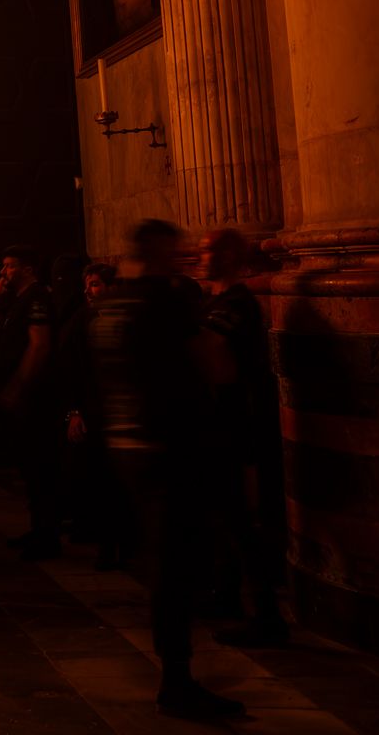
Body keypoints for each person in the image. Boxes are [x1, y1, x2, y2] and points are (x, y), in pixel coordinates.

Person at [114, 219, 243, 721]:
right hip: (170, 447)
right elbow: (219, 368)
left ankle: (177, 674)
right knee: (177, 568)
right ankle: (177, 679)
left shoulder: (110, 300)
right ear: (161, 250)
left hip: (127, 447)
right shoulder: (166, 300)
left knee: (163, 565)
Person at [199, 229, 289, 648]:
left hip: (233, 425)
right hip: (218, 424)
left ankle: (264, 613)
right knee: (223, 516)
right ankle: (227, 595)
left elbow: (216, 360)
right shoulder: (215, 301)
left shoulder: (236, 304)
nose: (204, 256)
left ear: (232, 256)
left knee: (239, 519)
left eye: (212, 249)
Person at [0, 244, 63, 560]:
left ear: (27, 269)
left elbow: (39, 346)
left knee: (41, 467)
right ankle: (39, 529)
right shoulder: (17, 300)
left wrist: (17, 387)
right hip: (23, 399)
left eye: (9, 266)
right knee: (29, 466)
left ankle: (47, 534)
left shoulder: (38, 298)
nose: (3, 272)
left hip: (36, 398)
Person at [57, 262, 134, 569]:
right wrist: (74, 411)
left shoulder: (125, 319)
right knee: (101, 481)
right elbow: (70, 370)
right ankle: (106, 544)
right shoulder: (81, 321)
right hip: (94, 412)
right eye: (88, 285)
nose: (89, 291)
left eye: (96, 284)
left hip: (119, 412)